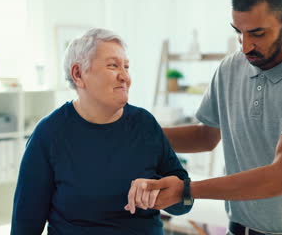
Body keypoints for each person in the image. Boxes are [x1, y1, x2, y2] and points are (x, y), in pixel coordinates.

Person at [125, 0, 282, 234]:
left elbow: (280, 178)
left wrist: (186, 190)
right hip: (238, 229)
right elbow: (205, 136)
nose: (245, 46)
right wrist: (135, 135)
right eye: (238, 32)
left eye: (258, 33)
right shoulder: (230, 67)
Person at [11, 28, 192, 235]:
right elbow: (25, 225)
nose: (125, 76)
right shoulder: (49, 134)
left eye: (126, 66)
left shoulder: (145, 124)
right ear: (78, 74)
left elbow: (185, 202)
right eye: (113, 66)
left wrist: (169, 191)